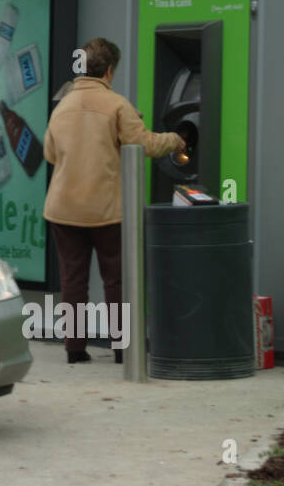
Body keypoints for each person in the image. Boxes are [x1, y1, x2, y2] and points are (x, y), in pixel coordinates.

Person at [43, 38, 185, 364]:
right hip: (106, 210)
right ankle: (123, 349)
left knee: (73, 278)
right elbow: (145, 144)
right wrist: (176, 140)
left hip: (63, 208)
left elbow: (51, 154)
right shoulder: (117, 105)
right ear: (109, 70)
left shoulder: (61, 106)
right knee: (117, 279)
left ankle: (75, 349)